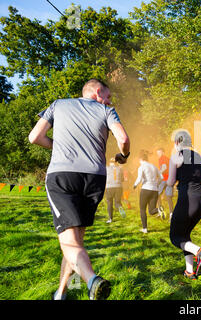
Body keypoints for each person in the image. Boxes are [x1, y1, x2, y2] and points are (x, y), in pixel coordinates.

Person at [28, 78, 130, 300]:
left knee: (69, 242)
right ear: (97, 91)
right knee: (75, 241)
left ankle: (92, 280)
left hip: (63, 177)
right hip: (94, 178)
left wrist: (58, 146)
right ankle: (62, 292)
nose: (110, 100)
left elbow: (35, 137)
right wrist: (123, 156)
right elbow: (123, 139)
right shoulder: (106, 111)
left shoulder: (58, 104)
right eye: (108, 96)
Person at [167, 130, 201, 279]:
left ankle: (200, 251)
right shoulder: (199, 156)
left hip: (188, 200)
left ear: (176, 143)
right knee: (184, 234)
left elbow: (170, 182)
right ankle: (189, 271)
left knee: (175, 236)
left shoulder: (176, 157)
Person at [133, 150, 163, 233]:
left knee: (142, 209)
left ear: (140, 159)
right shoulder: (154, 166)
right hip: (154, 190)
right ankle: (159, 210)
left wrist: (134, 185)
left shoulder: (141, 167)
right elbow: (161, 177)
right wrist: (157, 184)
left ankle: (145, 229)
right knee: (151, 210)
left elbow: (139, 178)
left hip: (145, 189)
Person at [105, 157, 126, 223]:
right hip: (118, 187)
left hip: (109, 187)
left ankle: (110, 219)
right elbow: (122, 179)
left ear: (109, 162)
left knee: (109, 203)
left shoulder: (106, 168)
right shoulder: (120, 169)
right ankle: (120, 207)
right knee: (117, 202)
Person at [156, 147, 174, 220]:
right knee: (169, 197)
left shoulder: (162, 158)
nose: (158, 154)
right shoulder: (168, 159)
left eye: (159, 153)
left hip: (164, 179)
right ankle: (171, 214)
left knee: (156, 194)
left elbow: (164, 167)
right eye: (157, 153)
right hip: (170, 179)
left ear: (163, 152)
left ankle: (161, 211)